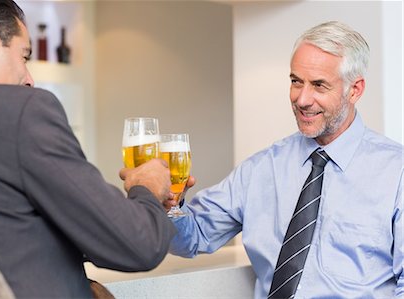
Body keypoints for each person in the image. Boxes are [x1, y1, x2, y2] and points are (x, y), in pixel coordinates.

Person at [0, 0, 176, 298]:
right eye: (24, 56)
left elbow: (4, 224)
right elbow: (139, 244)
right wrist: (146, 188)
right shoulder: (21, 112)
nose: (29, 79)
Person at [167, 21, 403, 298]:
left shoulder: (396, 173)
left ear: (355, 90)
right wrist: (169, 202)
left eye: (319, 85)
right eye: (296, 81)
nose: (302, 99)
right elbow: (191, 238)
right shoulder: (261, 168)